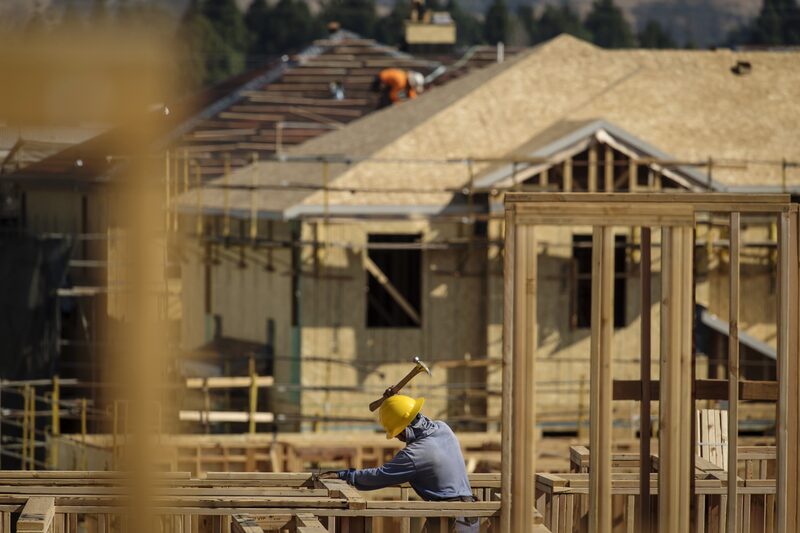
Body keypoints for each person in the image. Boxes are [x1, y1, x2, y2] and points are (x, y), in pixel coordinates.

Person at [320, 393, 478, 532]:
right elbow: (413, 417)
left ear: (407, 429)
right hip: (469, 515)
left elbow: (380, 476)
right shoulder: (443, 428)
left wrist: (346, 475)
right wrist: (396, 404)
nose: (398, 438)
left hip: (448, 518)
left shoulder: (414, 454)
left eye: (398, 434)